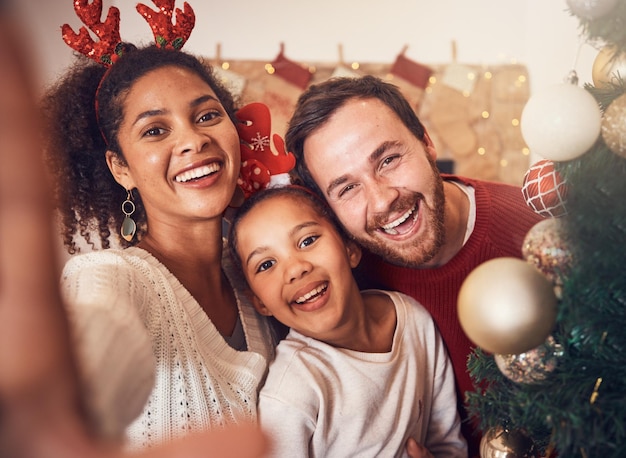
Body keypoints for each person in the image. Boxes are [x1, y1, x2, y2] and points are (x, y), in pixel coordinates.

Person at [0, 4, 271, 458]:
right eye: (155, 130)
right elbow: (101, 337)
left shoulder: (256, 270)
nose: (192, 140)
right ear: (120, 168)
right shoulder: (110, 274)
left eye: (207, 116)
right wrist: (63, 403)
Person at [284, 75, 544, 456]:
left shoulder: (536, 235)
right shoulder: (343, 278)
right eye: (347, 188)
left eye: (388, 160)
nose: (383, 199)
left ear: (426, 142)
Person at [228, 185, 467, 457]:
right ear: (260, 302)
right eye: (266, 264)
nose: (295, 269)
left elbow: (449, 443)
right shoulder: (291, 392)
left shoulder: (414, 320)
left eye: (307, 241)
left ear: (350, 248)